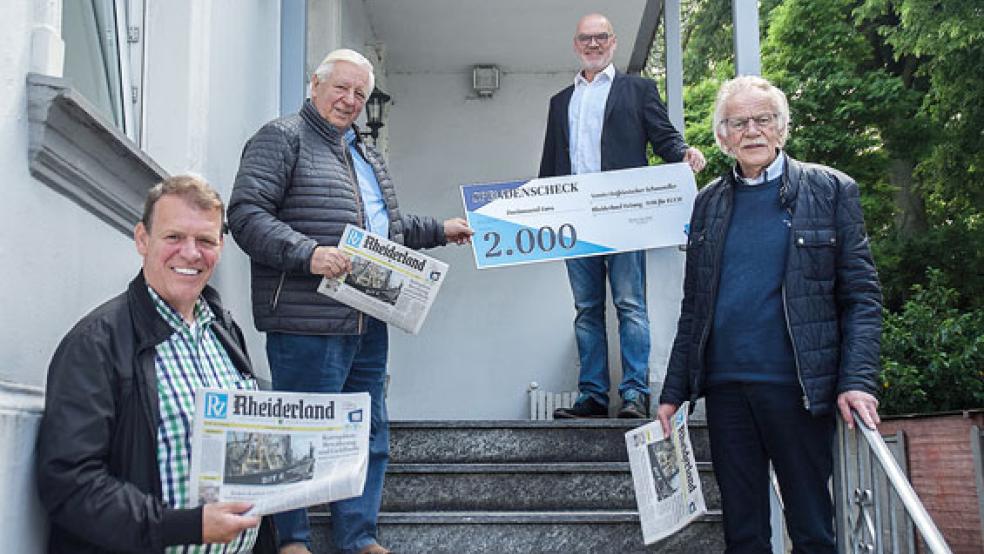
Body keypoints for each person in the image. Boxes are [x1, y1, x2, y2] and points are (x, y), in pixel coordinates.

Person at [228, 48, 472, 554]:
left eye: (360, 93)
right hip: (305, 318)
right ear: (315, 85)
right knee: (296, 430)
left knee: (367, 432)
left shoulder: (365, 152)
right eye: (341, 87)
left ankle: (358, 538)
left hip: (367, 316)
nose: (350, 100)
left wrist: (440, 230)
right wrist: (308, 254)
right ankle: (292, 540)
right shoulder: (281, 137)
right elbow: (246, 215)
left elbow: (385, 230)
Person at [656, 75, 883, 553]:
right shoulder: (708, 203)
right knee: (743, 533)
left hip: (797, 388)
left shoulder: (830, 189)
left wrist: (858, 380)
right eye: (738, 123)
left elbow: (862, 296)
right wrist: (674, 391)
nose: (752, 131)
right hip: (726, 390)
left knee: (812, 529)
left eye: (763, 119)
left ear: (782, 127)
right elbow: (694, 307)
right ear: (723, 137)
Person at [36, 175, 274, 553]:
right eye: (174, 237)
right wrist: (187, 527)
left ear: (221, 246)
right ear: (142, 240)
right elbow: (70, 484)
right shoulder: (96, 343)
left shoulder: (226, 333)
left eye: (205, 241)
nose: (191, 253)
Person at [540, 13, 706, 419]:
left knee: (630, 304)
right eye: (586, 38)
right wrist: (542, 213)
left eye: (601, 37)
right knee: (586, 309)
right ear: (576, 45)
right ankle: (593, 396)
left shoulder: (638, 90)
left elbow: (664, 137)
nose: (593, 44)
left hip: (623, 215)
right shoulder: (560, 102)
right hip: (575, 219)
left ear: (613, 42)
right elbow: (550, 164)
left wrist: (683, 153)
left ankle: (634, 394)